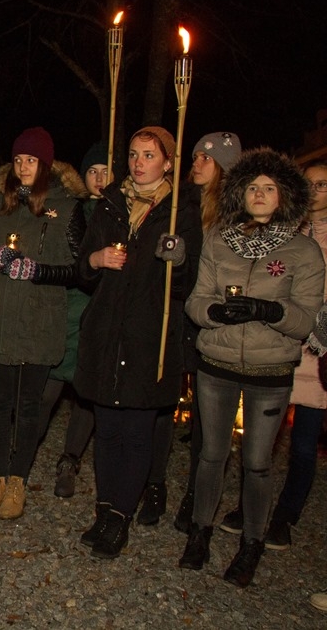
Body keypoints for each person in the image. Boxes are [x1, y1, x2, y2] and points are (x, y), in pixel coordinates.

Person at [179, 148, 323, 587]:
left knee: (258, 463)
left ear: (285, 196)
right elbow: (196, 299)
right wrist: (215, 314)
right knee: (210, 455)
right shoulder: (221, 241)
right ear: (240, 194)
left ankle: (252, 545)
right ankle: (199, 534)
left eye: (269, 188)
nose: (259, 195)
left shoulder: (304, 251)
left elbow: (306, 318)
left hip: (270, 371)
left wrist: (269, 310)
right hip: (218, 363)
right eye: (252, 187)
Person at [73, 126, 202, 559]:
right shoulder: (111, 203)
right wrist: (97, 258)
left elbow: (186, 283)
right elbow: (83, 268)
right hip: (108, 330)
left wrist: (177, 257)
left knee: (136, 430)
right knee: (106, 428)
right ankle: (105, 510)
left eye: (148, 155)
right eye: (132, 153)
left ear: (167, 162)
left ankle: (122, 517)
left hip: (150, 335)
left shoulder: (180, 209)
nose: (138, 162)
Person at [0, 127, 85, 520]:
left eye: (31, 160)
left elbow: (79, 271)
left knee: (29, 407)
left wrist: (39, 271)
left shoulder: (67, 208)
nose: (23, 167)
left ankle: (18, 480)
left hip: (39, 319)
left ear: (45, 165)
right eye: (18, 160)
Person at [170, 131, 242, 532]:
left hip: (210, 319)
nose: (196, 164)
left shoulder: (232, 216)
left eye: (205, 159)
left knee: (206, 416)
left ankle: (198, 494)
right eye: (194, 156)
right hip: (179, 311)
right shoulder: (184, 203)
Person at [262, 158, 327, 550]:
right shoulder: (287, 231)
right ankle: (252, 506)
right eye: (311, 184)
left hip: (319, 349)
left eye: (323, 185)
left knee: (303, 443)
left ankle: (286, 515)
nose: (315, 191)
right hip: (281, 342)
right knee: (264, 435)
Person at [38, 141, 103, 498]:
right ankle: (24, 453)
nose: (99, 178)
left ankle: (70, 459)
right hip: (68, 307)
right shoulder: (73, 210)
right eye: (92, 171)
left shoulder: (119, 213)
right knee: (47, 388)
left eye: (105, 171)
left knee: (85, 395)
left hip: (98, 313)